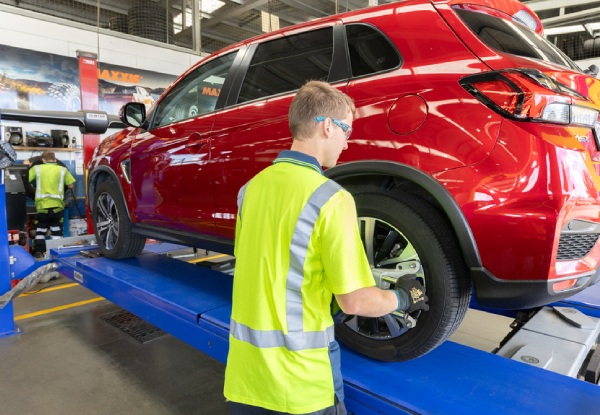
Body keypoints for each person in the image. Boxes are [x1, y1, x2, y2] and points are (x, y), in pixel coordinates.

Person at [224, 80, 429, 415]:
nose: (347, 144)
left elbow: (266, 268)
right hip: (301, 388)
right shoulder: (330, 199)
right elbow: (355, 300)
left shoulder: (250, 190)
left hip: (245, 381)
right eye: (347, 130)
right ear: (328, 126)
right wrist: (405, 297)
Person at [28, 151, 76, 258]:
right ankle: (56, 252)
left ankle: (39, 251)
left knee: (41, 229)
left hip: (42, 207)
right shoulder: (62, 170)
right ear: (55, 159)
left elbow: (26, 181)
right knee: (56, 229)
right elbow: (71, 185)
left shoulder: (37, 169)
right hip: (57, 206)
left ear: (43, 160)